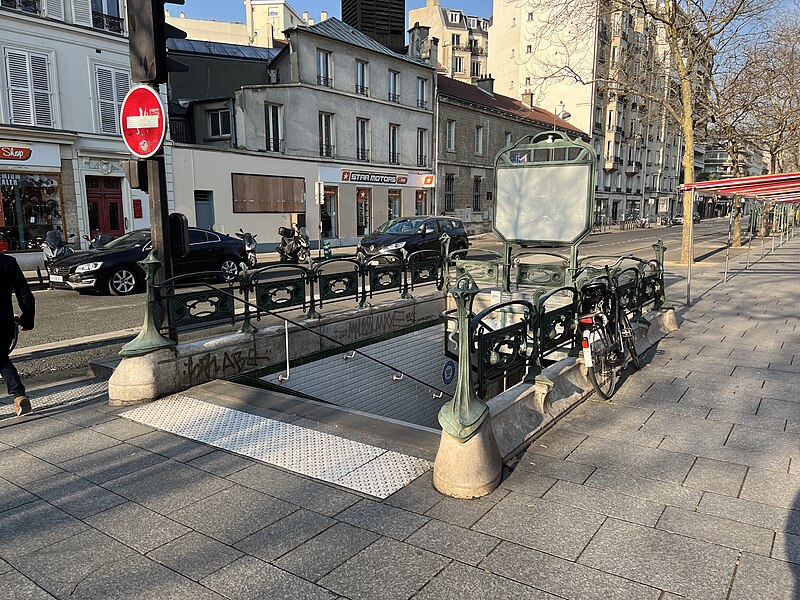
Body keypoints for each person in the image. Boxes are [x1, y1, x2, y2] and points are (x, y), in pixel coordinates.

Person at [0, 253, 35, 416]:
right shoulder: (8, 262)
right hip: (3, 322)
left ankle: (18, 393)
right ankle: (19, 395)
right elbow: (25, 294)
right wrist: (26, 319)